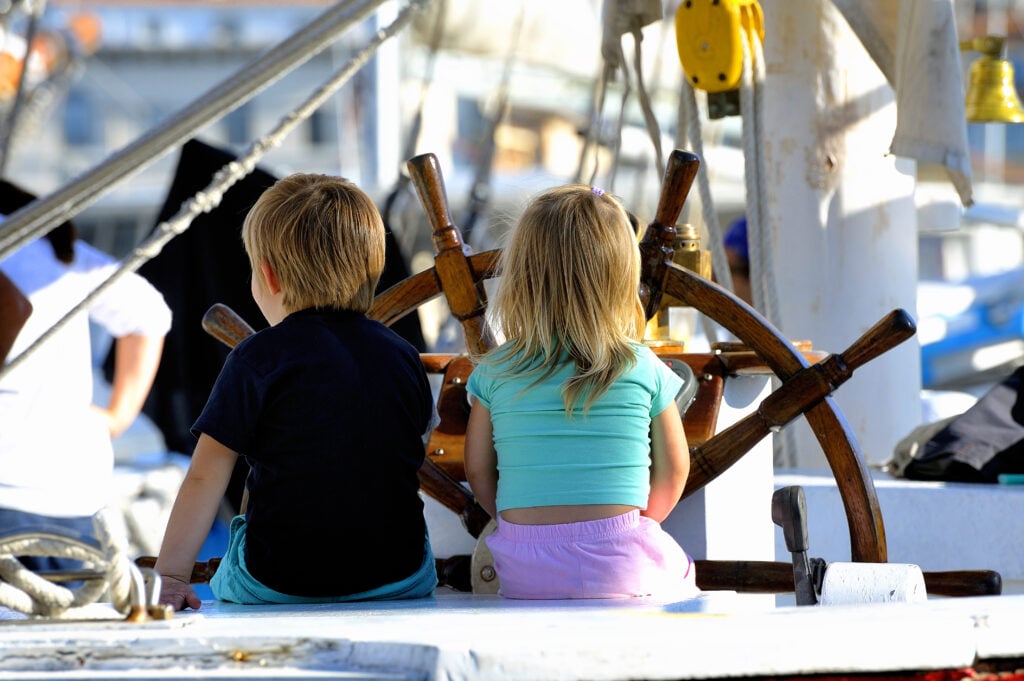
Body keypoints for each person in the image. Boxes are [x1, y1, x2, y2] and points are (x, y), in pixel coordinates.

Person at [154, 173, 438, 611]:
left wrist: (171, 576)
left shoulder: (256, 358)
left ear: (267, 276)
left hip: (277, 581)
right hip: (401, 577)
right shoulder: (403, 356)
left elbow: (206, 475)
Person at [463, 184, 698, 600]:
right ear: (623, 277)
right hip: (621, 564)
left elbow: (479, 471)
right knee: (682, 575)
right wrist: (640, 525)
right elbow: (675, 470)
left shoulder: (494, 370)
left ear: (520, 276)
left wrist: (512, 521)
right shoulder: (642, 365)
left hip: (524, 568)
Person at [0, 180, 171, 572]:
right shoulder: (45, 240)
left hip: (7, 499)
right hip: (75, 496)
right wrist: (117, 417)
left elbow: (12, 305)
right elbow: (148, 313)